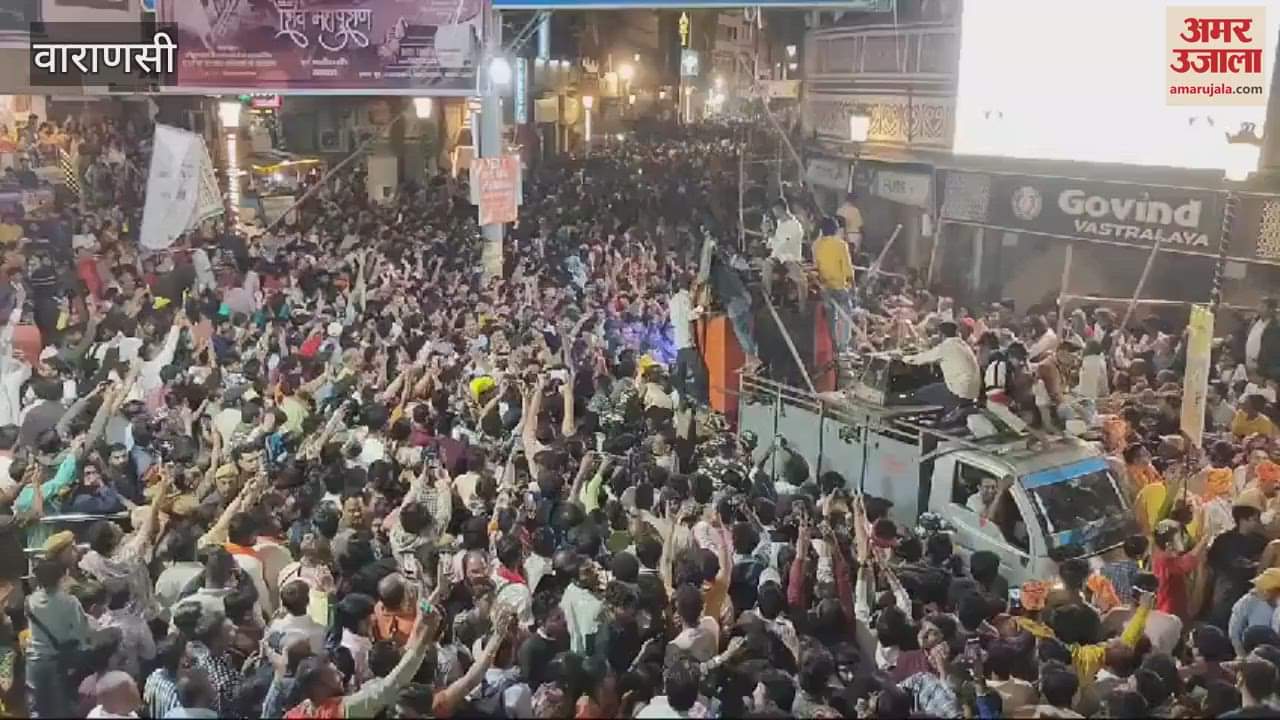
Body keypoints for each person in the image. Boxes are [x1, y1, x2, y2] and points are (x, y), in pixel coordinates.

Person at [902, 321, 981, 410]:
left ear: (941, 334)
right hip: (972, 391)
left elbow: (920, 359)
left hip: (958, 391)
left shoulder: (947, 346)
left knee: (919, 394)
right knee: (936, 386)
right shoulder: (963, 345)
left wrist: (903, 358)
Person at [813, 217, 855, 353]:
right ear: (836, 230)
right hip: (839, 287)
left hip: (824, 287)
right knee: (845, 315)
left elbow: (816, 267)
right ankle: (843, 346)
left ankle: (832, 345)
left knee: (830, 318)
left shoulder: (816, 245)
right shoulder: (841, 245)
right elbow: (847, 268)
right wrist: (852, 285)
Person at [762, 200, 807, 309]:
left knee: (800, 281)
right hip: (777, 257)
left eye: (776, 211)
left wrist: (771, 236)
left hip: (791, 258)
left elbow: (783, 243)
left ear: (781, 209)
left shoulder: (795, 225)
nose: (775, 214)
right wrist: (768, 234)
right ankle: (768, 297)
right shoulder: (779, 224)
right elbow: (772, 245)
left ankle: (802, 307)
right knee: (767, 265)